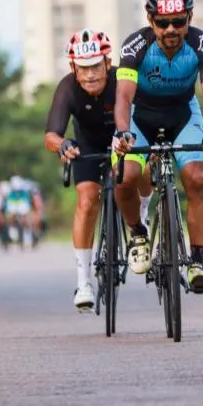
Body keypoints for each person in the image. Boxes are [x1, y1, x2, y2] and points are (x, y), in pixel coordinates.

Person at [113, 0, 203, 294]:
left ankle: (197, 260)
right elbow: (123, 97)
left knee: (197, 178)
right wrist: (122, 131)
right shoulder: (135, 45)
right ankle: (138, 232)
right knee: (125, 175)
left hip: (183, 115)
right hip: (140, 116)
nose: (171, 29)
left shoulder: (202, 43)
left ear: (190, 17)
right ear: (150, 21)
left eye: (179, 21)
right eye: (163, 23)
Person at [43, 28, 119, 311]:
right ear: (73, 67)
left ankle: (141, 225)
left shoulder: (122, 80)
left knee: (133, 180)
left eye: (96, 66)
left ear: (108, 63)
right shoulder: (67, 87)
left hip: (124, 140)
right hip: (87, 145)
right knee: (87, 201)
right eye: (83, 68)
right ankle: (84, 282)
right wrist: (63, 145)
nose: (90, 75)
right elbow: (51, 136)